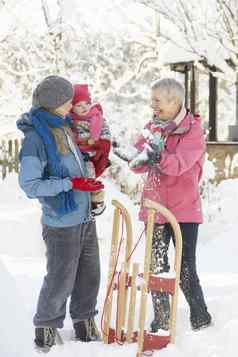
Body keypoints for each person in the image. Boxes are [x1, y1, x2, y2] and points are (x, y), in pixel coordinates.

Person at [117, 78, 212, 332]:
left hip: (184, 209)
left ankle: (201, 317)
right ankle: (161, 320)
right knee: (155, 265)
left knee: (185, 267)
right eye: (152, 99)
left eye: (157, 100)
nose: (153, 105)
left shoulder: (193, 132)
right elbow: (138, 163)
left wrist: (156, 156)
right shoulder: (153, 127)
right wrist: (131, 156)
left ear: (174, 101)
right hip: (156, 209)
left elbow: (180, 165)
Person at [17, 76, 103, 351]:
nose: (72, 104)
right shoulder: (36, 139)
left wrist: (87, 181)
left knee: (90, 275)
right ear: (54, 102)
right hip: (60, 221)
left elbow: (72, 168)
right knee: (60, 277)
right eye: (68, 100)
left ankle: (84, 321)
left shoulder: (64, 127)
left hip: (83, 215)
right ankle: (46, 327)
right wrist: (70, 184)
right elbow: (30, 185)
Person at [71, 84, 111, 216]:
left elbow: (105, 133)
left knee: (89, 175)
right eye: (79, 105)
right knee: (75, 178)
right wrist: (82, 140)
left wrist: (98, 142)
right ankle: (78, 201)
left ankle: (96, 201)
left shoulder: (97, 117)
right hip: (76, 154)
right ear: (72, 106)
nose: (84, 108)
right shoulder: (70, 120)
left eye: (87, 104)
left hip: (91, 154)